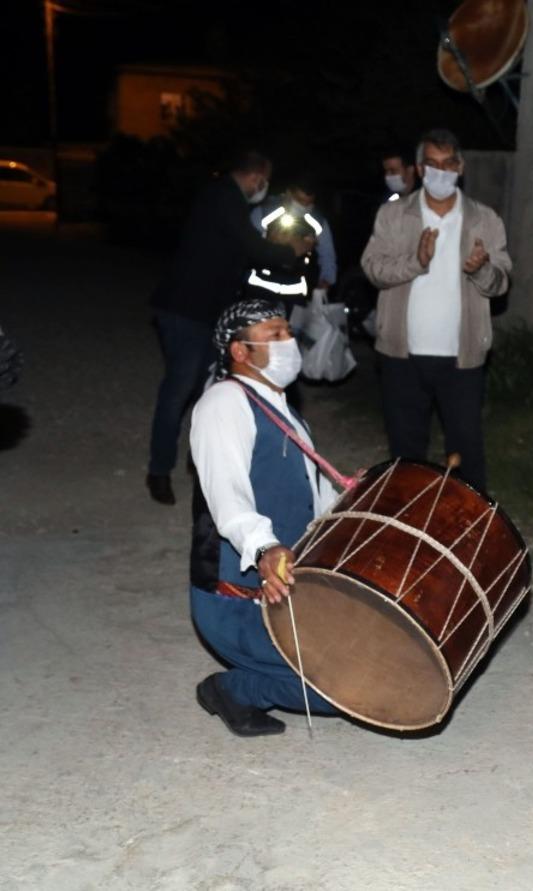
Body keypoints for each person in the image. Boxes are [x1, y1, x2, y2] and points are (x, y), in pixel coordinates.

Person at [189, 298, 342, 737]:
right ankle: (234, 689)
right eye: (274, 335)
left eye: (287, 333)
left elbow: (311, 493)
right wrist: (264, 547)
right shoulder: (223, 404)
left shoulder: (281, 407)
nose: (288, 342)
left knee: (374, 653)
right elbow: (227, 498)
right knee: (344, 687)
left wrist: (355, 502)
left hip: (290, 589)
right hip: (236, 602)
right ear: (240, 351)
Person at [146, 150, 311, 506]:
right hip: (185, 310)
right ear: (257, 177)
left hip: (207, 311)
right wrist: (289, 250)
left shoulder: (224, 198)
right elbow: (253, 247)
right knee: (179, 389)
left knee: (212, 387)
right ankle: (159, 470)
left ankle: (208, 465)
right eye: (264, 183)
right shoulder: (223, 198)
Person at [361, 128, 511, 492]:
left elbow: (502, 281)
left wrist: (482, 270)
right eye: (432, 164)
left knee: (466, 451)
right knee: (406, 453)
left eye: (448, 164)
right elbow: (373, 268)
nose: (440, 172)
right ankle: (408, 529)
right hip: (401, 354)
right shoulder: (394, 215)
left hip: (462, 357)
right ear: (419, 168)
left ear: (460, 167)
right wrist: (415, 261)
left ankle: (469, 532)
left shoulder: (484, 219)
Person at [249, 174, 338, 294]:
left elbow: (328, 255)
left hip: (295, 293)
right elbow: (247, 247)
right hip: (259, 287)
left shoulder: (318, 221)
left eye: (308, 203)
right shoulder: (265, 211)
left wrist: (325, 282)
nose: (304, 207)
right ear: (289, 193)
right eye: (300, 201)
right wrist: (273, 242)